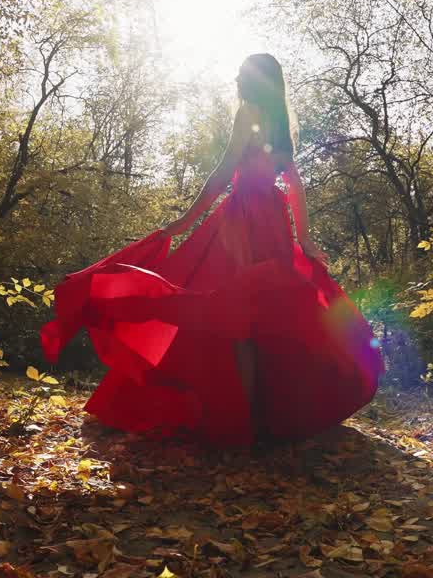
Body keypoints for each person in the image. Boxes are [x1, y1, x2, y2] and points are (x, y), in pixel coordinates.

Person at [40, 53, 384, 445]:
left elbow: (223, 172)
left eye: (243, 72)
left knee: (233, 316)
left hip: (241, 221)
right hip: (272, 223)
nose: (236, 76)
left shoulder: (248, 112)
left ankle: (243, 425)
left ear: (256, 81)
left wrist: (186, 221)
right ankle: (257, 421)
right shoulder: (279, 123)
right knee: (263, 319)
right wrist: (302, 238)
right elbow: (294, 185)